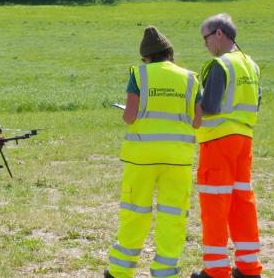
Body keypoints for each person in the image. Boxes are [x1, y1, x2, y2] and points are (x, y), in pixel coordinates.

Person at [105, 26, 201, 278]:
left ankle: (120, 271)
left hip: (142, 158)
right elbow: (197, 121)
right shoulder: (191, 78)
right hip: (178, 159)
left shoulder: (139, 75)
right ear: (169, 53)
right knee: (173, 216)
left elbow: (129, 117)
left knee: (135, 212)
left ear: (146, 56)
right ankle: (165, 271)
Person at [191, 14, 263, 278]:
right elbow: (256, 102)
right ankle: (249, 267)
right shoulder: (251, 65)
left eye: (206, 38)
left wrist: (188, 108)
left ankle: (216, 270)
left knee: (215, 204)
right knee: (242, 202)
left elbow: (210, 106)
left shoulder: (219, 64)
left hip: (218, 142)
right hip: (244, 140)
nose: (206, 44)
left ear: (219, 34)